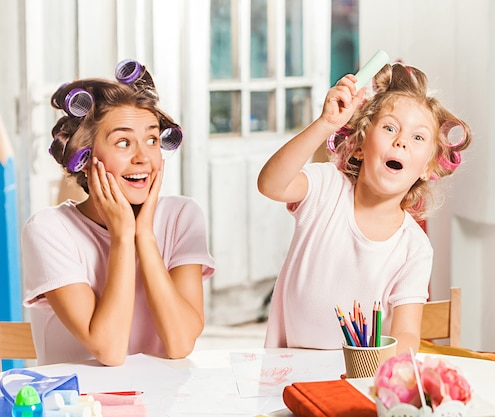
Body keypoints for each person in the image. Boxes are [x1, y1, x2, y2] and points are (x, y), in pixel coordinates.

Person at [257, 62, 471, 354]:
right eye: (389, 128)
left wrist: (392, 368)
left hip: (356, 381)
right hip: (285, 372)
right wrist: (326, 124)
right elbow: (270, 184)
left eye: (418, 137)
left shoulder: (414, 248)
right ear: (359, 146)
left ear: (428, 167)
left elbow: (407, 333)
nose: (401, 142)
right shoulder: (326, 187)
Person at [21, 60, 215, 366]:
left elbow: (180, 343)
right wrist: (124, 236)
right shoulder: (48, 229)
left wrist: (145, 236)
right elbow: (109, 349)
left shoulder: (182, 216)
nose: (143, 157)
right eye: (123, 142)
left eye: (151, 140)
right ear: (85, 158)